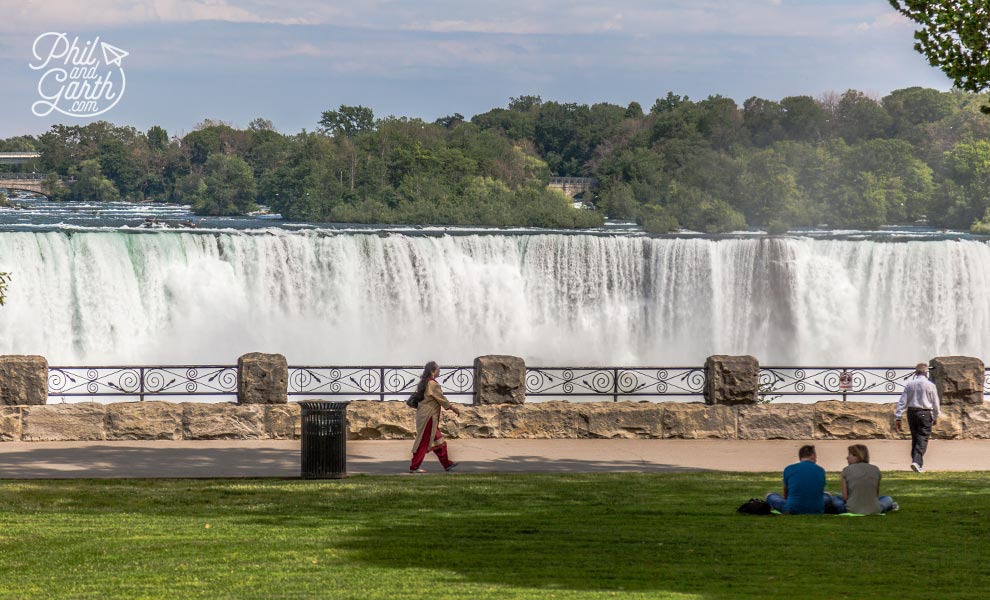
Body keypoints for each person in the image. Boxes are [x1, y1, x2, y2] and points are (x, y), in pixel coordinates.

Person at [409, 361, 461, 473]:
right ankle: (414, 467)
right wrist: (453, 408)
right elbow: (441, 399)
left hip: (425, 416)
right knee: (424, 442)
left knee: (439, 442)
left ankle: (447, 464)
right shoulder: (432, 384)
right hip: (429, 417)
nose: (439, 371)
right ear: (433, 371)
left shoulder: (425, 382)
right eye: (438, 369)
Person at [895, 362, 940, 473]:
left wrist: (898, 417)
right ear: (926, 373)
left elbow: (902, 401)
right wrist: (935, 416)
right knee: (923, 438)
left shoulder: (909, 384)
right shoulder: (931, 385)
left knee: (915, 437)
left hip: (912, 413)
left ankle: (916, 463)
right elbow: (935, 403)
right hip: (925, 412)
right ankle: (916, 462)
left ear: (916, 372)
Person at [832, 444, 897, 514]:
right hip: (875, 509)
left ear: (856, 456)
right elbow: (876, 495)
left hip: (852, 509)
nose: (847, 457)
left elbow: (845, 498)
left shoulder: (846, 470)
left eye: (849, 454)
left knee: (835, 499)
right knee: (887, 499)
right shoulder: (875, 469)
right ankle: (889, 506)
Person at [765, 445, 832, 514]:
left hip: (792, 509)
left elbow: (786, 493)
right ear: (812, 455)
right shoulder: (820, 470)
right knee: (827, 495)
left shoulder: (789, 469)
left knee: (770, 496)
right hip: (817, 508)